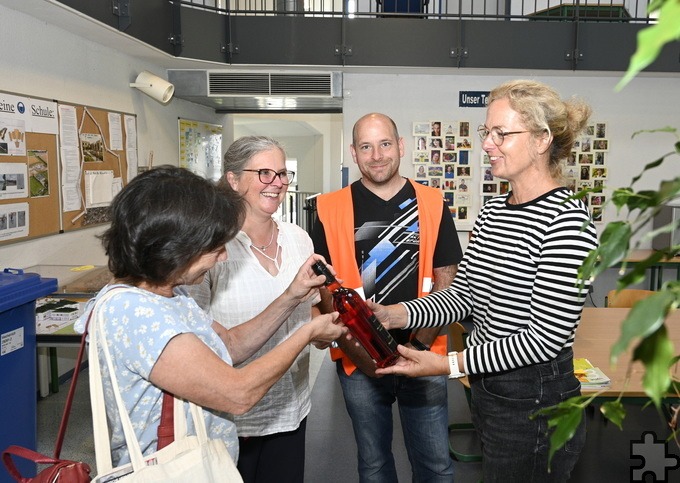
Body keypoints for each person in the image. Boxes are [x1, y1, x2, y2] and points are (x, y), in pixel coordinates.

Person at [374, 80, 599, 482]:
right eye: (486, 132)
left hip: (536, 400)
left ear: (542, 139)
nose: (487, 144)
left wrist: (447, 364)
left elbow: (544, 339)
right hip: (492, 390)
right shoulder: (494, 212)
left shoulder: (566, 222)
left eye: (502, 133)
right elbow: (464, 297)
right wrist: (392, 315)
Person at [75, 165, 347, 469]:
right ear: (174, 248)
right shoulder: (135, 313)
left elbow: (228, 345)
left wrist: (291, 296)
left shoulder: (168, 294)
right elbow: (238, 393)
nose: (224, 257)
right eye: (214, 249)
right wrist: (306, 333)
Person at [311, 113, 463, 482]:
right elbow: (323, 287)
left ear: (401, 147)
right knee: (374, 463)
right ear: (353, 152)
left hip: (424, 354)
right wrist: (360, 353)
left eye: (384, 144)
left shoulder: (432, 202)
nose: (376, 155)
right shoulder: (328, 208)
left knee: (435, 465)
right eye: (366, 146)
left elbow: (447, 276)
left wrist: (421, 345)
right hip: (359, 360)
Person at [186, 136, 319, 482]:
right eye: (264, 173)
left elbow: (312, 313)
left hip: (292, 408)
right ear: (233, 179)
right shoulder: (212, 249)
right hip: (233, 421)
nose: (277, 183)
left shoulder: (298, 239)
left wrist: (338, 329)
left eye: (282, 173)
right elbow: (198, 339)